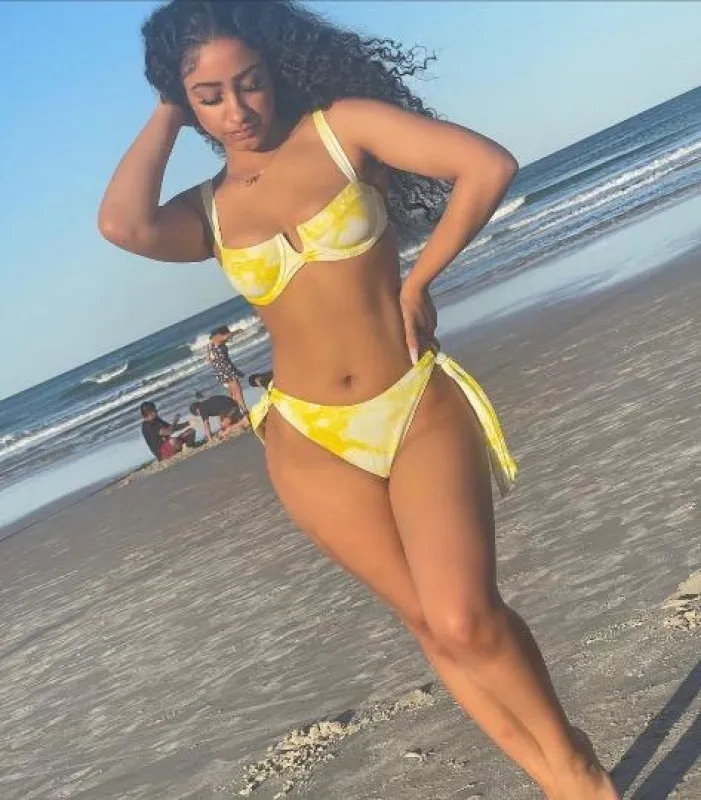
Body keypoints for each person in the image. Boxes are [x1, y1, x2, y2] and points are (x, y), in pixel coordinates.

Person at [99, 3, 618, 797]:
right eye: (209, 96)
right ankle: (558, 782)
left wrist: (419, 280)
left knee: (464, 618)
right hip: (306, 439)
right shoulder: (207, 210)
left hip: (411, 403)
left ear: (274, 69)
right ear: (184, 101)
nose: (238, 109)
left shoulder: (343, 129)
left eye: (249, 82)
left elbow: (486, 165)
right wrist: (169, 102)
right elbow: (123, 223)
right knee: (427, 626)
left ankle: (576, 767)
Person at [207, 325, 248, 413]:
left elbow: (208, 360)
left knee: (232, 392)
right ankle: (244, 410)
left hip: (219, 371)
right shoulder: (217, 339)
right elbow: (226, 336)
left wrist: (217, 360)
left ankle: (236, 411)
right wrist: (237, 331)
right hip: (225, 368)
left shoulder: (210, 344)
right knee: (237, 390)